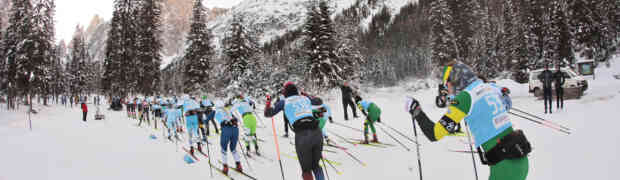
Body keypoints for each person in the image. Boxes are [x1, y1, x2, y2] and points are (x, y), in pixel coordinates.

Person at [406, 60, 531, 180]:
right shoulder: (488, 87)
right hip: (518, 158)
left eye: (447, 83)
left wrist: (416, 111)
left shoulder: (466, 98)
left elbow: (434, 134)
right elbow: (507, 104)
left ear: (455, 80)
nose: (446, 88)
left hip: (505, 168)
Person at [264, 82, 325, 180]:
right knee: (316, 165)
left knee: (306, 169)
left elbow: (268, 113)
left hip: (302, 135)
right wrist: (307, 95)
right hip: (317, 132)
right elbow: (319, 101)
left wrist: (268, 102)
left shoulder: (284, 102)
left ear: (285, 92)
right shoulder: (305, 98)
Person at [215, 100, 242, 174]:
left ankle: (225, 167)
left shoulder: (217, 111)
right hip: (235, 130)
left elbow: (207, 119)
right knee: (233, 149)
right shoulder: (229, 110)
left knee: (224, 149)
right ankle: (238, 165)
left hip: (226, 130)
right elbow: (236, 119)